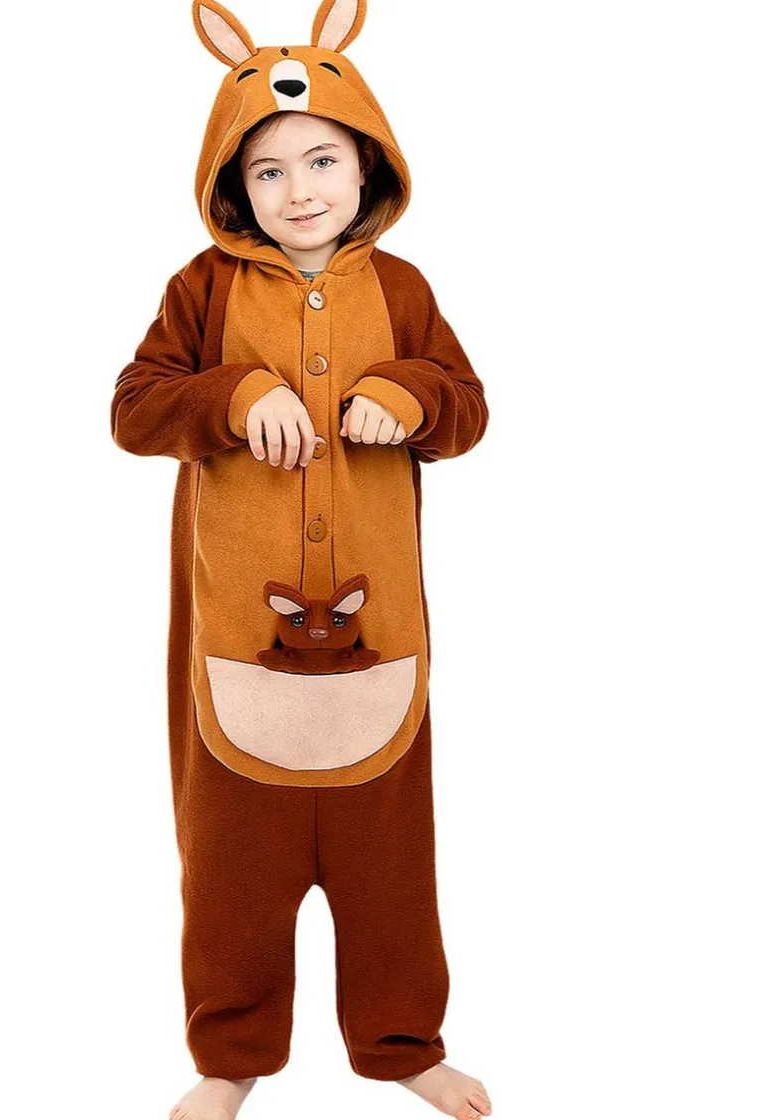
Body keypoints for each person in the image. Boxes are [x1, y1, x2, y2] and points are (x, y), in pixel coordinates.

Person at [111, 3, 491, 1118]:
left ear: (368, 163)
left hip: (380, 639)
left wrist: (405, 392)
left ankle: (402, 1044)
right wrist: (232, 394)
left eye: (322, 159)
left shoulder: (404, 291)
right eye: (267, 170)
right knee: (232, 868)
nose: (299, 189)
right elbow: (134, 409)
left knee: (390, 863)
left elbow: (467, 408)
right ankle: (228, 1057)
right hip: (238, 633)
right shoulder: (203, 288)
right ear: (234, 185)